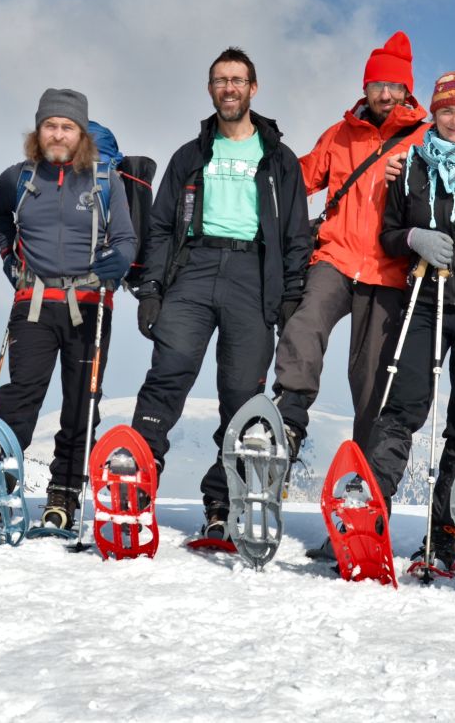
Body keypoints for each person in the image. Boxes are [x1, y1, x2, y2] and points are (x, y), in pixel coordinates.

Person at [130, 47, 310, 539]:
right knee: (168, 372)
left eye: (237, 80)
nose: (228, 88)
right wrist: (151, 289)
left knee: (240, 395)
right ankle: (137, 483)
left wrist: (292, 295)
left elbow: (297, 233)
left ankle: (221, 501)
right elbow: (162, 226)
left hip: (252, 275)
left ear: (254, 88)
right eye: (219, 81)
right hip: (194, 268)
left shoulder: (279, 160)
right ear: (211, 90)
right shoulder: (190, 156)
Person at [365, 71, 455, 572]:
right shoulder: (409, 169)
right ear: (434, 112)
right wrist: (412, 239)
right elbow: (387, 235)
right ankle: (371, 512)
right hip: (424, 304)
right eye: (447, 111)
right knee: (402, 407)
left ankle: (443, 535)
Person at [272, 31, 430, 456]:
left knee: (373, 374)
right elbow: (300, 179)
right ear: (366, 87)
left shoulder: (423, 140)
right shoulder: (340, 134)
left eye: (394, 86)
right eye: (377, 85)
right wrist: (268, 158)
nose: (385, 93)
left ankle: (365, 464)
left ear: (406, 90)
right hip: (336, 256)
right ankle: (288, 416)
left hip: (389, 269)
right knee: (305, 324)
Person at [0, 89, 137, 531]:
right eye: (50, 125)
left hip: (88, 305)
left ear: (81, 133)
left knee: (80, 404)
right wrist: (6, 258)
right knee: (21, 397)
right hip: (32, 303)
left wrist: (120, 261)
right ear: (38, 131)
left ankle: (64, 493)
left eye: (67, 127)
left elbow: (127, 239)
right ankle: (1, 484)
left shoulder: (104, 181)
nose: (58, 133)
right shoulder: (17, 178)